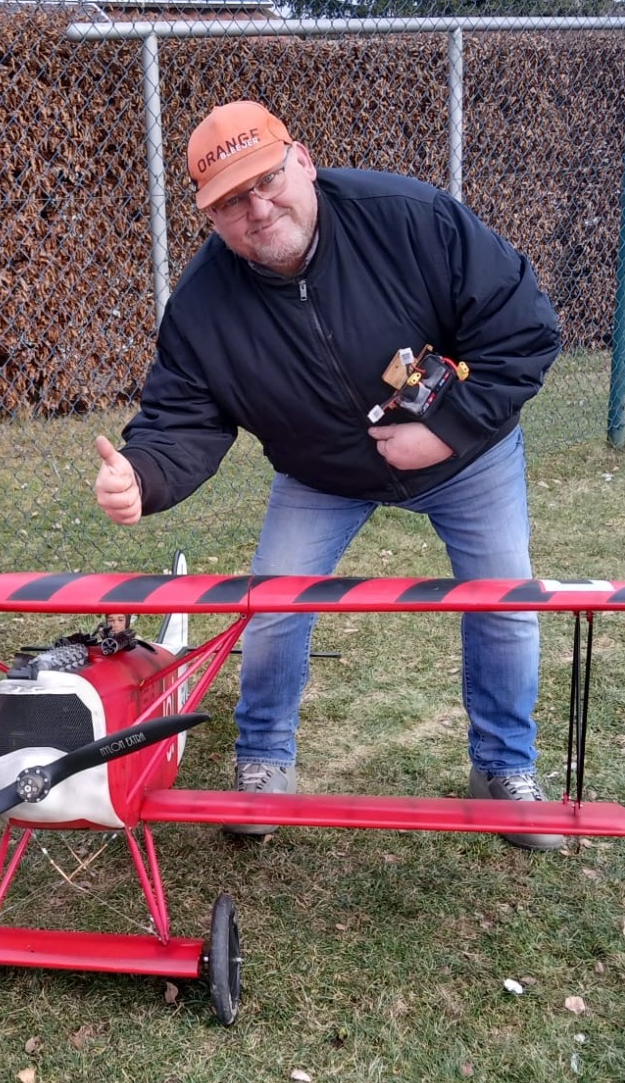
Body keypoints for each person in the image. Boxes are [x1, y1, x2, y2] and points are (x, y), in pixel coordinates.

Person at [91, 101, 563, 848]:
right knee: (273, 605)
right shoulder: (203, 305)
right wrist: (141, 477)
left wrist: (445, 430)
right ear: (209, 216)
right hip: (322, 472)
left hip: (469, 456)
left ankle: (505, 769)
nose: (258, 208)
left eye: (267, 180)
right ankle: (263, 762)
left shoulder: (408, 219)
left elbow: (522, 327)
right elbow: (182, 418)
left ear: (303, 162)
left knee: (504, 600)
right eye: (231, 201)